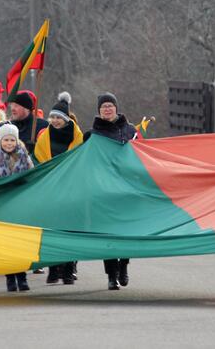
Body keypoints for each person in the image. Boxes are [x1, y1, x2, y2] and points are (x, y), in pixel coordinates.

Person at [83, 92, 137, 290]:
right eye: (103, 106)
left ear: (116, 108)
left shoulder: (130, 131)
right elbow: (85, 163)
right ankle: (111, 275)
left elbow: (141, 157)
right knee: (106, 235)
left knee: (126, 232)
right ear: (99, 110)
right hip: (102, 191)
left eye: (110, 105)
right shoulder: (91, 135)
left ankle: (124, 265)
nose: (107, 109)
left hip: (126, 190)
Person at [34, 92, 83, 285]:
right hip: (50, 189)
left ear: (66, 119)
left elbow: (80, 160)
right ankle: (54, 269)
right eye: (52, 117)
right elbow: (39, 159)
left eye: (58, 118)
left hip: (72, 189)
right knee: (51, 228)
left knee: (70, 229)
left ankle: (69, 269)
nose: (54, 121)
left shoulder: (77, 136)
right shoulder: (44, 137)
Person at [0, 122, 34, 292]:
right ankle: (10, 278)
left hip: (20, 203)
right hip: (3, 202)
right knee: (6, 242)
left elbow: (31, 174)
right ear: (0, 140)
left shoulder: (23, 155)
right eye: (5, 140)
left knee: (20, 242)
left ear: (17, 141)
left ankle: (22, 277)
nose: (9, 143)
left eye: (12, 140)